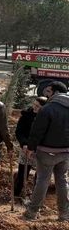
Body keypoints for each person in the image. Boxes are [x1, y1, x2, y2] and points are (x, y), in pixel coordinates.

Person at [24, 81, 69, 221]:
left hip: (46, 152)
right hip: (65, 152)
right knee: (62, 180)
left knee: (43, 180)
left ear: (55, 93)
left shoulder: (48, 109)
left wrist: (30, 148)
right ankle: (64, 214)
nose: (46, 95)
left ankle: (32, 212)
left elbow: (37, 132)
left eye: (48, 92)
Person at [14, 97, 47, 199]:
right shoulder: (26, 115)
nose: (34, 107)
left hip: (40, 150)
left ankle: (36, 197)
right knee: (22, 172)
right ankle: (17, 194)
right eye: (34, 105)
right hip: (26, 148)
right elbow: (19, 131)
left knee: (40, 176)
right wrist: (24, 144)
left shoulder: (47, 117)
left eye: (38, 106)